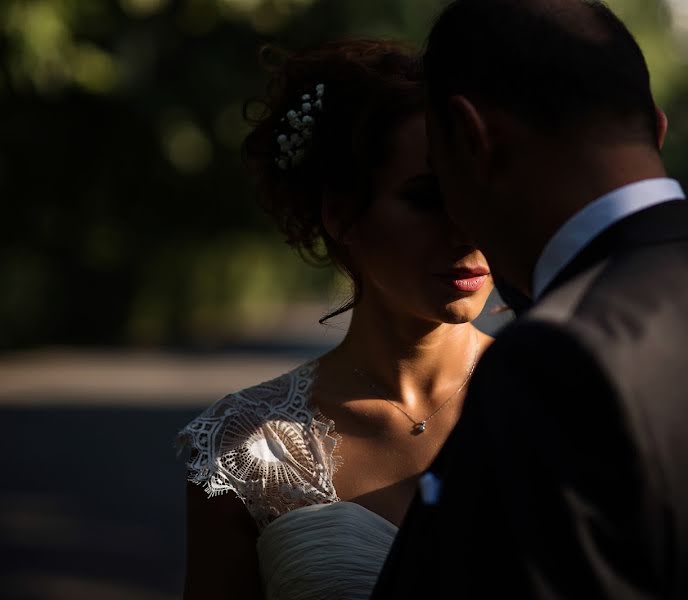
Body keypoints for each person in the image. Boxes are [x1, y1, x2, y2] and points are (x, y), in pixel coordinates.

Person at [373, 1, 688, 598]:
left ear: (472, 138)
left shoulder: (560, 358)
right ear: (657, 129)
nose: (456, 225)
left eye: (440, 177)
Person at [176, 39, 494, 600]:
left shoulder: (565, 397)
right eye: (427, 199)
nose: (465, 229)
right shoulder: (246, 446)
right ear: (342, 212)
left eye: (480, 193)